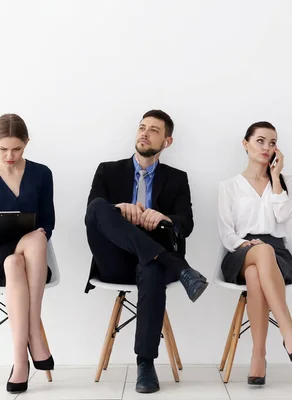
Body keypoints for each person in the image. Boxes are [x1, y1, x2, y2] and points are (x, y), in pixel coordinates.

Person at [84, 110, 208, 394]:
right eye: (142, 127)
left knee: (152, 270)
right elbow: (93, 213)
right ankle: (180, 268)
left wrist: (163, 218)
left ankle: (146, 364)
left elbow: (185, 224)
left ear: (167, 141)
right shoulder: (108, 170)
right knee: (98, 207)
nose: (144, 133)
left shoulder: (177, 179)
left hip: (149, 260)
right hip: (113, 258)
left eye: (153, 130)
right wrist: (118, 208)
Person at [0, 113, 55, 394]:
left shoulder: (42, 173)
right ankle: (34, 338)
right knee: (24, 249)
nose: (9, 155)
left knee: (27, 250)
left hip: (30, 262)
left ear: (26, 143)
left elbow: (48, 223)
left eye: (16, 149)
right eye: (3, 149)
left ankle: (20, 363)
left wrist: (32, 234)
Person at [217, 121, 292, 386]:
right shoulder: (229, 186)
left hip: (277, 254)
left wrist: (277, 178)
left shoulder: (287, 182)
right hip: (240, 250)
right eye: (260, 141)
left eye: (272, 142)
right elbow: (226, 232)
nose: (266, 147)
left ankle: (259, 356)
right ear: (245, 144)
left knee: (256, 273)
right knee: (259, 253)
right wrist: (247, 245)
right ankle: (289, 335)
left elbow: (282, 215)